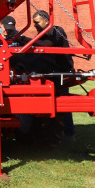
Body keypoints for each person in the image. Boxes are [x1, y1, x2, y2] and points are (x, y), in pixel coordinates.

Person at [32, 10, 76, 141]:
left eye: (37, 22)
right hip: (49, 73)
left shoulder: (57, 31)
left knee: (63, 102)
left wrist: (23, 39)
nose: (35, 25)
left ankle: (70, 134)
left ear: (46, 20)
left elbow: (46, 46)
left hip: (62, 72)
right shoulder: (41, 34)